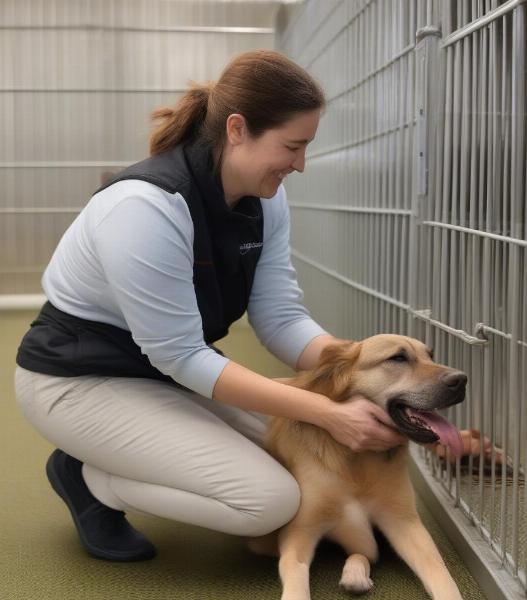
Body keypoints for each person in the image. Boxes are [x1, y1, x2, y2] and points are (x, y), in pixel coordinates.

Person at [13, 50, 409, 562]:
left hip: (165, 378)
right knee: (268, 501)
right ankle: (90, 477)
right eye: (292, 146)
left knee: (302, 459)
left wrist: (364, 370)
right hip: (77, 383)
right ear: (238, 129)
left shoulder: (266, 197)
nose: (300, 164)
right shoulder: (144, 208)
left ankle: (119, 456)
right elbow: (181, 355)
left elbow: (278, 314)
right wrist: (327, 410)